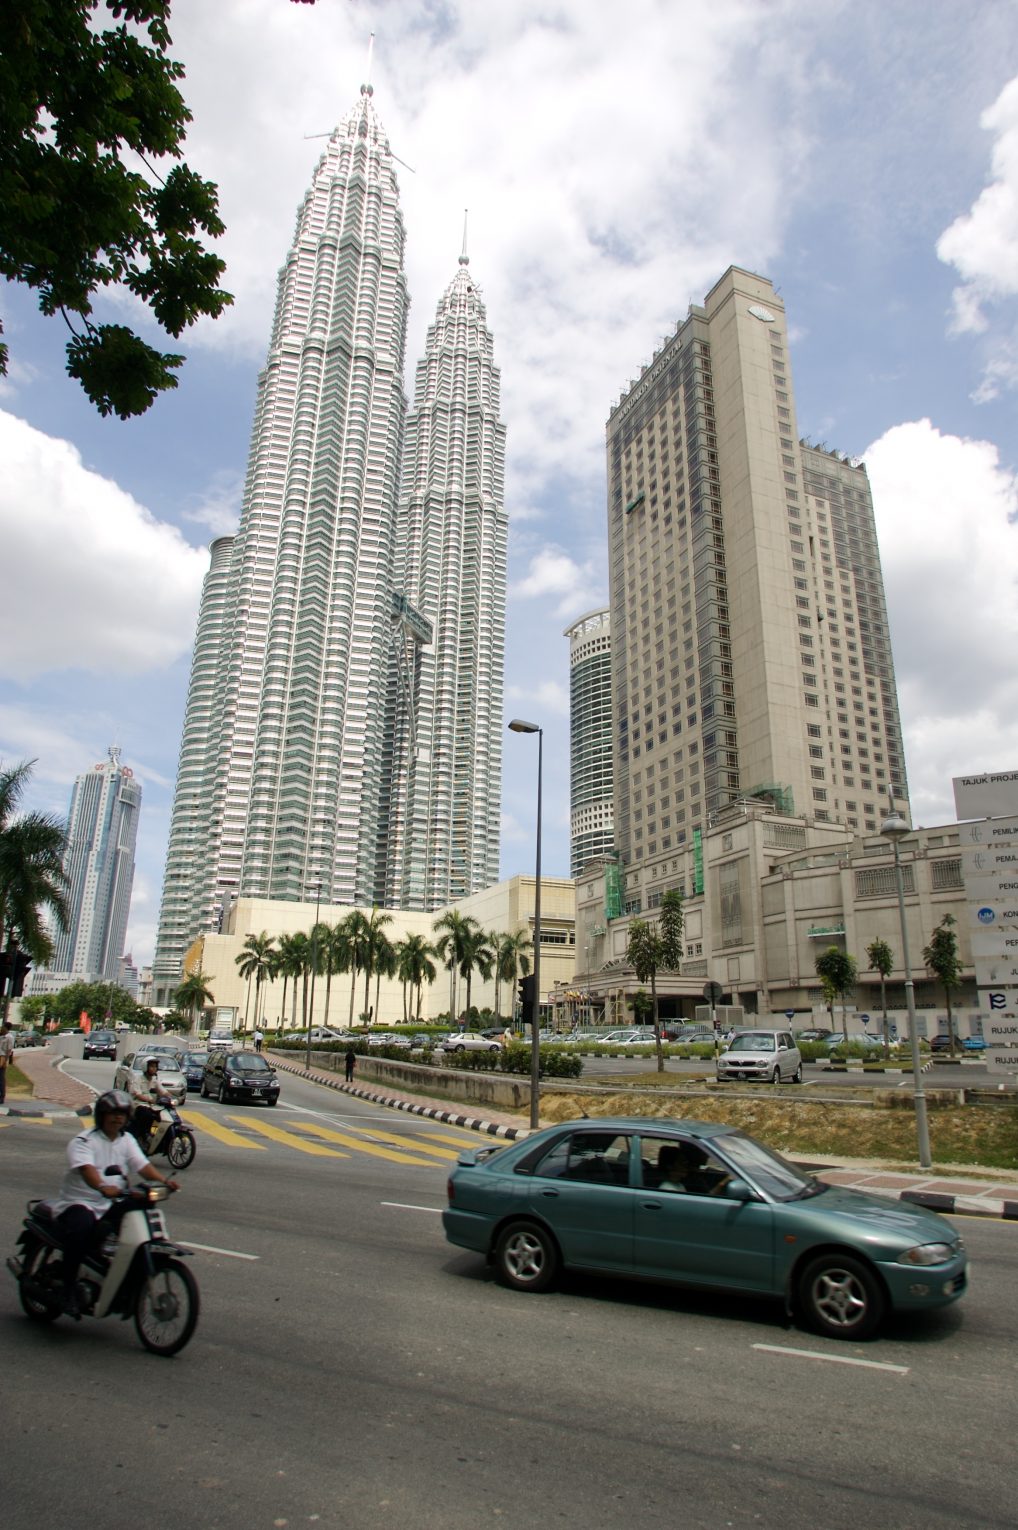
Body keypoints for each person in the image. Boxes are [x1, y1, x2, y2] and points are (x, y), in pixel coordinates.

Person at [50, 1089, 178, 1317]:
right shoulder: (84, 1141)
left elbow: (142, 1166)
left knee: (142, 1208)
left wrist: (164, 1181)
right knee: (81, 1229)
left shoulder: (126, 1140)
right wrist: (101, 1187)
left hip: (111, 1201)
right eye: (113, 1113)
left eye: (122, 1113)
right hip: (80, 1202)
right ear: (102, 1115)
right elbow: (88, 1171)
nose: (118, 1117)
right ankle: (66, 1289)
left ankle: (121, 1277)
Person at [129, 1057, 163, 1150]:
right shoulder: (138, 1079)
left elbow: (162, 1090)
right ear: (145, 1067)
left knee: (159, 1117)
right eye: (151, 1066)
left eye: (155, 1066)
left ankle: (152, 1133)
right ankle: (143, 1135)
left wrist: (170, 1097)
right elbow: (138, 1094)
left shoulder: (154, 1079)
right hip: (137, 1105)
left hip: (149, 1105)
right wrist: (149, 1100)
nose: (154, 1068)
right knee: (147, 1115)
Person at [0, 1020, 15, 1105]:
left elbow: (9, 1050)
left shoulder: (9, 1037)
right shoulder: (2, 1036)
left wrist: (5, 1061)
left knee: (1, 1078)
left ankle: (2, 1097)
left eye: (3, 1026)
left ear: (6, 1027)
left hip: (3, 1058)